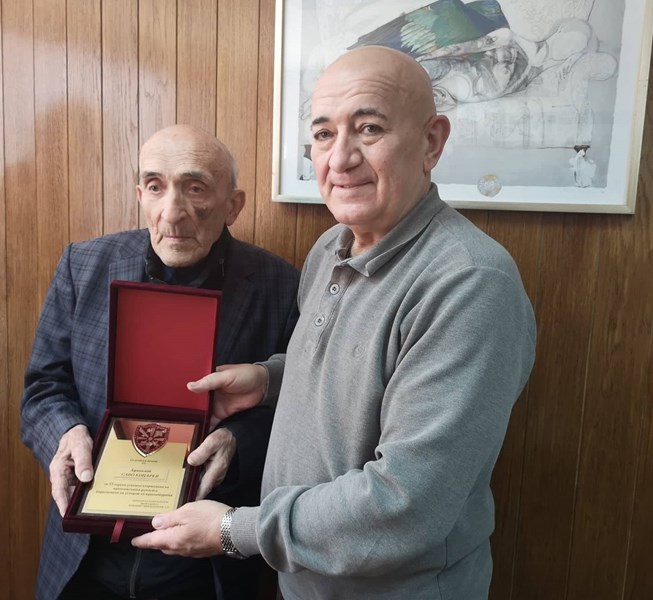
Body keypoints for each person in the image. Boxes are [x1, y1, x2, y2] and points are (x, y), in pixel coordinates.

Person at [132, 47, 537, 599]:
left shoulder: (470, 283)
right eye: (323, 134)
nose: (340, 159)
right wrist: (269, 378)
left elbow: (404, 505)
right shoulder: (331, 246)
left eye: (369, 129)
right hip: (305, 583)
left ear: (432, 142)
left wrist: (233, 529)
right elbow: (355, 368)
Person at [21, 124, 300, 600]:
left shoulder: (280, 284)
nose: (172, 213)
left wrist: (238, 441)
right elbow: (44, 387)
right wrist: (66, 434)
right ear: (140, 195)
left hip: (205, 569)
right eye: (155, 187)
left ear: (233, 205)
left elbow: (294, 405)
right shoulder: (82, 265)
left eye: (196, 189)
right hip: (85, 562)